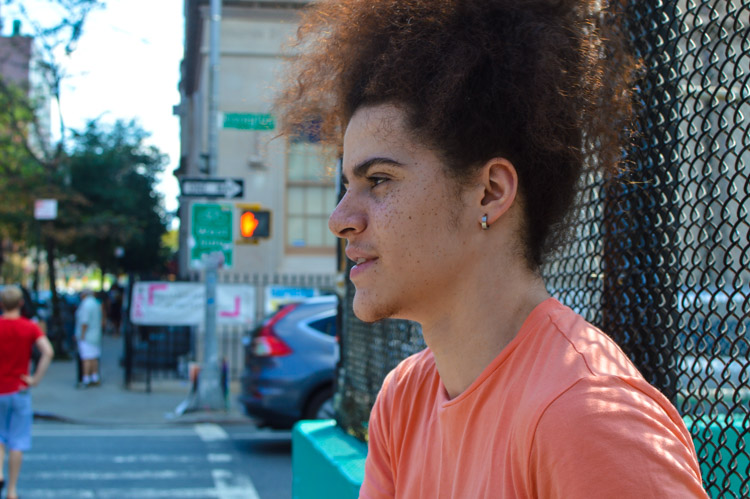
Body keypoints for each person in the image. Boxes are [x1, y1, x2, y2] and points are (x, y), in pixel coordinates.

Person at [275, 0, 709, 497]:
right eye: (347, 185)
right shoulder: (402, 400)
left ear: (490, 193)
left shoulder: (589, 416)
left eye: (378, 180)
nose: (340, 220)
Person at [0, 285, 54, 499]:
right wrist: (35, 379)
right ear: (21, 303)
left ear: (1, 304)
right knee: (17, 441)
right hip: (20, 389)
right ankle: (12, 490)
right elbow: (48, 352)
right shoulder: (30, 327)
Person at [75, 289, 102, 387]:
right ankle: (95, 377)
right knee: (94, 357)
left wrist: (81, 335)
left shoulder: (86, 304)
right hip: (95, 335)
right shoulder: (96, 303)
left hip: (87, 335)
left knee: (86, 358)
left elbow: (84, 322)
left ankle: (86, 379)